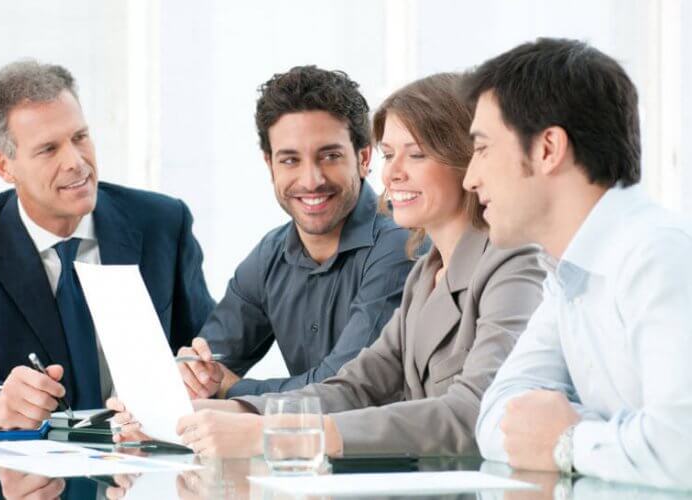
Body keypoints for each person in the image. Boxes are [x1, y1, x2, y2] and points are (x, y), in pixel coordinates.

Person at [110, 73, 545, 458]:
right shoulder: (426, 274)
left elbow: (474, 411)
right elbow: (356, 386)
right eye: (390, 154)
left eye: (416, 154)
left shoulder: (512, 262)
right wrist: (198, 412)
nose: (392, 174)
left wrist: (275, 433)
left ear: (465, 159)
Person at [0, 60, 214, 428]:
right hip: (26, 475)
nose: (77, 162)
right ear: (4, 166)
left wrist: (204, 369)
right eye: (48, 149)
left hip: (146, 459)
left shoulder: (162, 222)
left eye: (80, 137)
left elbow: (210, 342)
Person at [464, 38, 692, 488]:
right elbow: (498, 419)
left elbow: (681, 448)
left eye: (483, 148)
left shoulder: (658, 254)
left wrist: (567, 438)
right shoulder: (567, 271)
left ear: (548, 148)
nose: (470, 178)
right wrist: (616, 437)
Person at [177, 65, 413, 399]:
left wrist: (231, 388)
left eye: (329, 156)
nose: (311, 179)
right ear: (269, 165)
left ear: (363, 158)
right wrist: (187, 375)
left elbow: (340, 388)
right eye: (290, 160)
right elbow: (207, 364)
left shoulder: (400, 243)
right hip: (304, 450)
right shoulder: (269, 255)